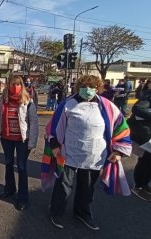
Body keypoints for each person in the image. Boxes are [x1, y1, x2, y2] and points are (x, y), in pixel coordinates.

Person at [48, 75, 131, 230]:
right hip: (68, 153)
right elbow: (53, 127)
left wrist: (119, 150)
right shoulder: (67, 104)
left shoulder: (107, 106)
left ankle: (82, 212)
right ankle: (56, 211)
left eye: (91, 87)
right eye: (84, 86)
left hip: (94, 155)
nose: (88, 90)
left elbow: (121, 127)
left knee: (87, 187)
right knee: (64, 185)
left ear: (97, 88)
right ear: (78, 87)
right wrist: (54, 145)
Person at [0, 75, 38, 211]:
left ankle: (23, 197)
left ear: (22, 86)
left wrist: (32, 141)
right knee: (8, 164)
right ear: (8, 85)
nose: (15, 87)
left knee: (22, 167)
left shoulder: (27, 101)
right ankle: (9, 189)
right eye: (13, 84)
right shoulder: (3, 99)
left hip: (22, 140)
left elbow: (34, 122)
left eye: (18, 84)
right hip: (7, 138)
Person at [127, 79, 151, 201]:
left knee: (147, 160)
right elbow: (137, 109)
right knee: (145, 160)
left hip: (145, 132)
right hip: (144, 134)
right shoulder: (147, 96)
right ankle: (139, 186)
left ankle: (144, 184)